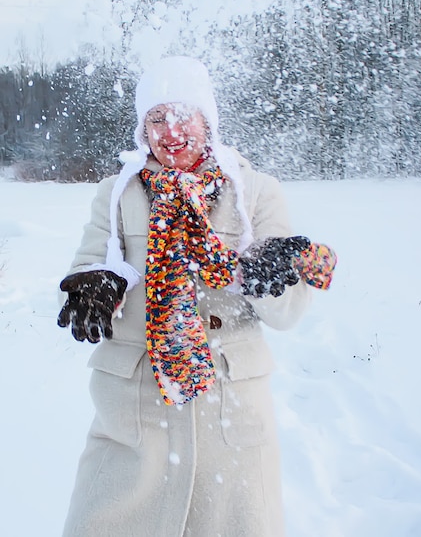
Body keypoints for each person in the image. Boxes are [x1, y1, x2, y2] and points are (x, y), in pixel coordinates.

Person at [57, 56, 336, 537]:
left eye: (183, 115)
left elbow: (288, 314)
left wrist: (268, 273)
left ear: (208, 120)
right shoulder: (116, 193)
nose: (171, 131)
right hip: (134, 421)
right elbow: (90, 261)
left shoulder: (253, 192)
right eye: (157, 119)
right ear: (143, 129)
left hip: (229, 423)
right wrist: (97, 284)